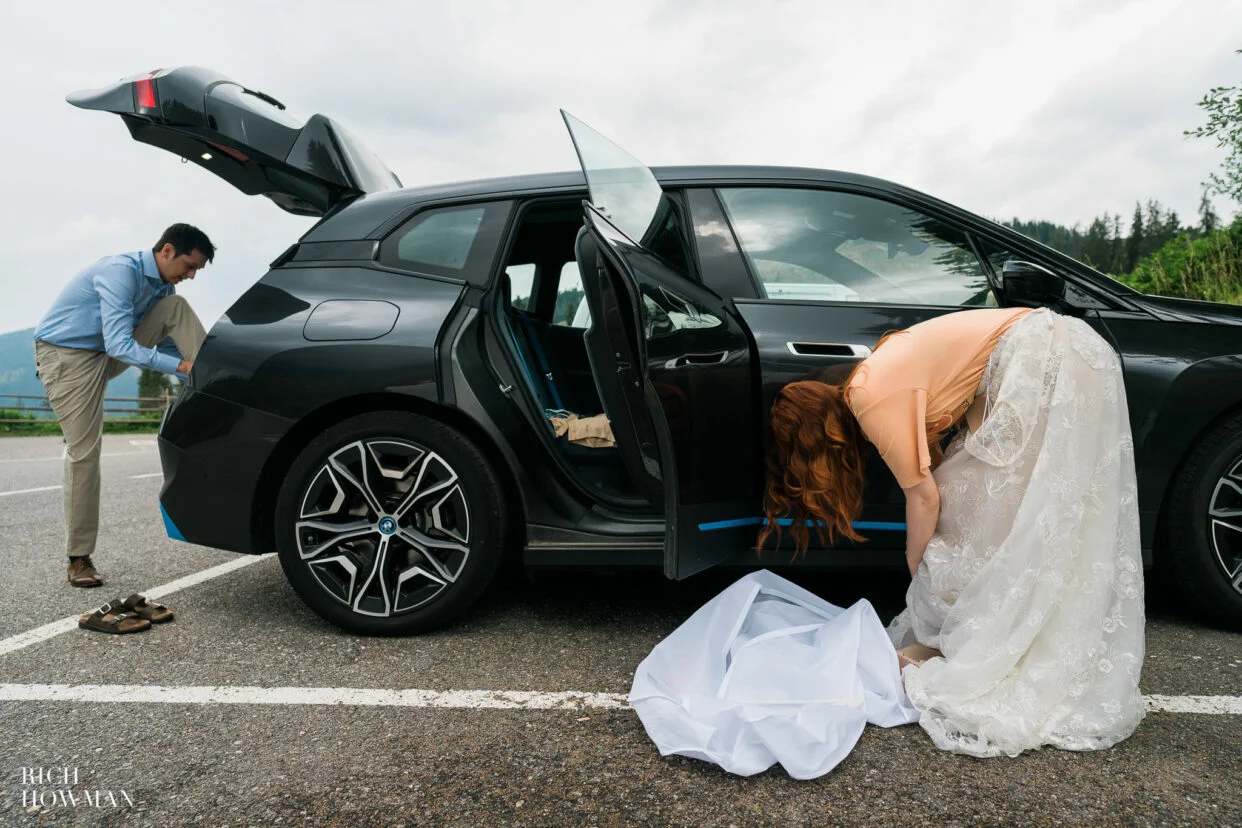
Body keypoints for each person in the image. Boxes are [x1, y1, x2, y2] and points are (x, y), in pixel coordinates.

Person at [759, 306, 1145, 758]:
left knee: (980, 513)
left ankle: (984, 647)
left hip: (1045, 354)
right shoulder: (876, 378)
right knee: (1005, 508)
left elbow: (923, 497)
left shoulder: (871, 400)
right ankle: (994, 637)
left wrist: (917, 563)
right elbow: (945, 461)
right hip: (1064, 348)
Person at [34, 224, 213, 588]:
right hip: (66, 358)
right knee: (84, 453)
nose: (191, 275)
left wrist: (191, 373)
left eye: (197, 270)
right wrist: (181, 367)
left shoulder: (163, 287)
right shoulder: (120, 272)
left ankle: (216, 383)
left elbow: (161, 342)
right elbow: (120, 345)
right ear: (167, 250)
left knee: (174, 307)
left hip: (102, 353)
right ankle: (78, 558)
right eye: (190, 265)